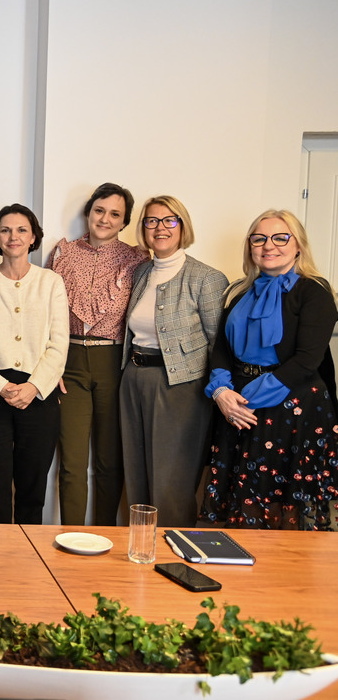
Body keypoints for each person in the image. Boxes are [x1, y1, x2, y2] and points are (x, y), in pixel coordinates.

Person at [201, 210, 338, 530]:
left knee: (286, 511)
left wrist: (245, 400)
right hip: (236, 407)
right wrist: (221, 392)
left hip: (292, 409)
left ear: (298, 245)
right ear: (250, 246)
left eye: (280, 238)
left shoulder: (315, 291)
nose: (268, 245)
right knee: (244, 506)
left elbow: (307, 360)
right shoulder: (239, 291)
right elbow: (221, 349)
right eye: (259, 238)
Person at [119, 196, 227, 528]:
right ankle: (140, 548)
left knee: (172, 483)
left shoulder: (207, 278)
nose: (160, 228)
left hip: (181, 388)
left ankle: (174, 551)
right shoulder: (141, 272)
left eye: (170, 220)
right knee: (136, 475)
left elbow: (219, 345)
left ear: (183, 226)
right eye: (151, 221)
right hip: (133, 379)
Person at [46, 183, 147, 526]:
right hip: (69, 362)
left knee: (109, 460)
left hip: (114, 364)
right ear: (88, 212)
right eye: (99, 210)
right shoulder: (62, 253)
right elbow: (47, 314)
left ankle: (106, 533)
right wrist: (51, 367)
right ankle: (71, 535)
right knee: (72, 461)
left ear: (125, 222)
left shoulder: (137, 259)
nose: (105, 219)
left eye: (115, 214)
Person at [0, 203, 68, 524]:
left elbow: (59, 342)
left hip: (38, 394)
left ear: (34, 236)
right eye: (5, 230)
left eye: (22, 230)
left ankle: (28, 554)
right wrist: (0, 386)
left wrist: (34, 387)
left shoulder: (51, 282)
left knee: (32, 492)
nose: (13, 236)